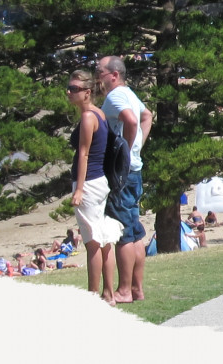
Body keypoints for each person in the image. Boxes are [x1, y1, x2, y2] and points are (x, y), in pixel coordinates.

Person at [97, 56, 151, 304]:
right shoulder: (129, 93)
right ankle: (137, 289)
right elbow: (147, 116)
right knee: (134, 229)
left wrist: (125, 152)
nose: (97, 77)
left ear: (114, 75)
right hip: (134, 170)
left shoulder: (115, 96)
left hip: (123, 173)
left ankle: (125, 290)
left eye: (99, 72)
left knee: (123, 232)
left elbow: (132, 120)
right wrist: (136, 147)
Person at [66, 70, 123, 305]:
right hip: (100, 182)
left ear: (87, 92)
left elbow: (84, 154)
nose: (69, 92)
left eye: (74, 89)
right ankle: (108, 293)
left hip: (89, 183)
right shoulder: (99, 113)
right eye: (69, 88)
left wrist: (79, 189)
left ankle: (93, 297)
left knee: (92, 244)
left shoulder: (89, 117)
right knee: (104, 241)